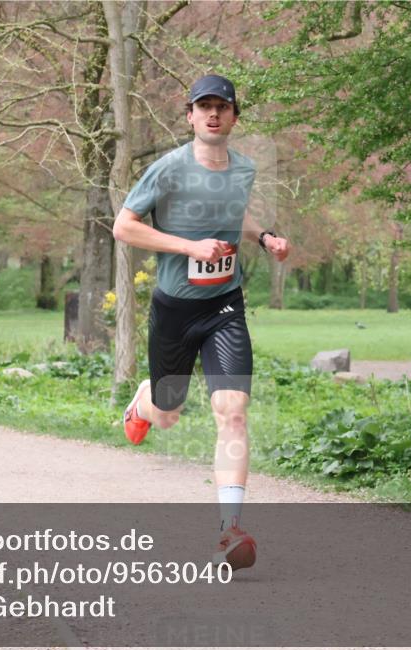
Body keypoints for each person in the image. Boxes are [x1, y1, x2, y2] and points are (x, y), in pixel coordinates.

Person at [111, 74, 291, 570]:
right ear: (190, 116)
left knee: (232, 411)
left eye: (222, 107)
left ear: (234, 117)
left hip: (224, 307)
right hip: (174, 309)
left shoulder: (244, 168)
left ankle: (229, 529)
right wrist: (189, 246)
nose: (213, 114)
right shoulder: (168, 169)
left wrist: (264, 237)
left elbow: (234, 216)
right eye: (204, 106)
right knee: (168, 413)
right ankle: (144, 402)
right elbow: (124, 227)